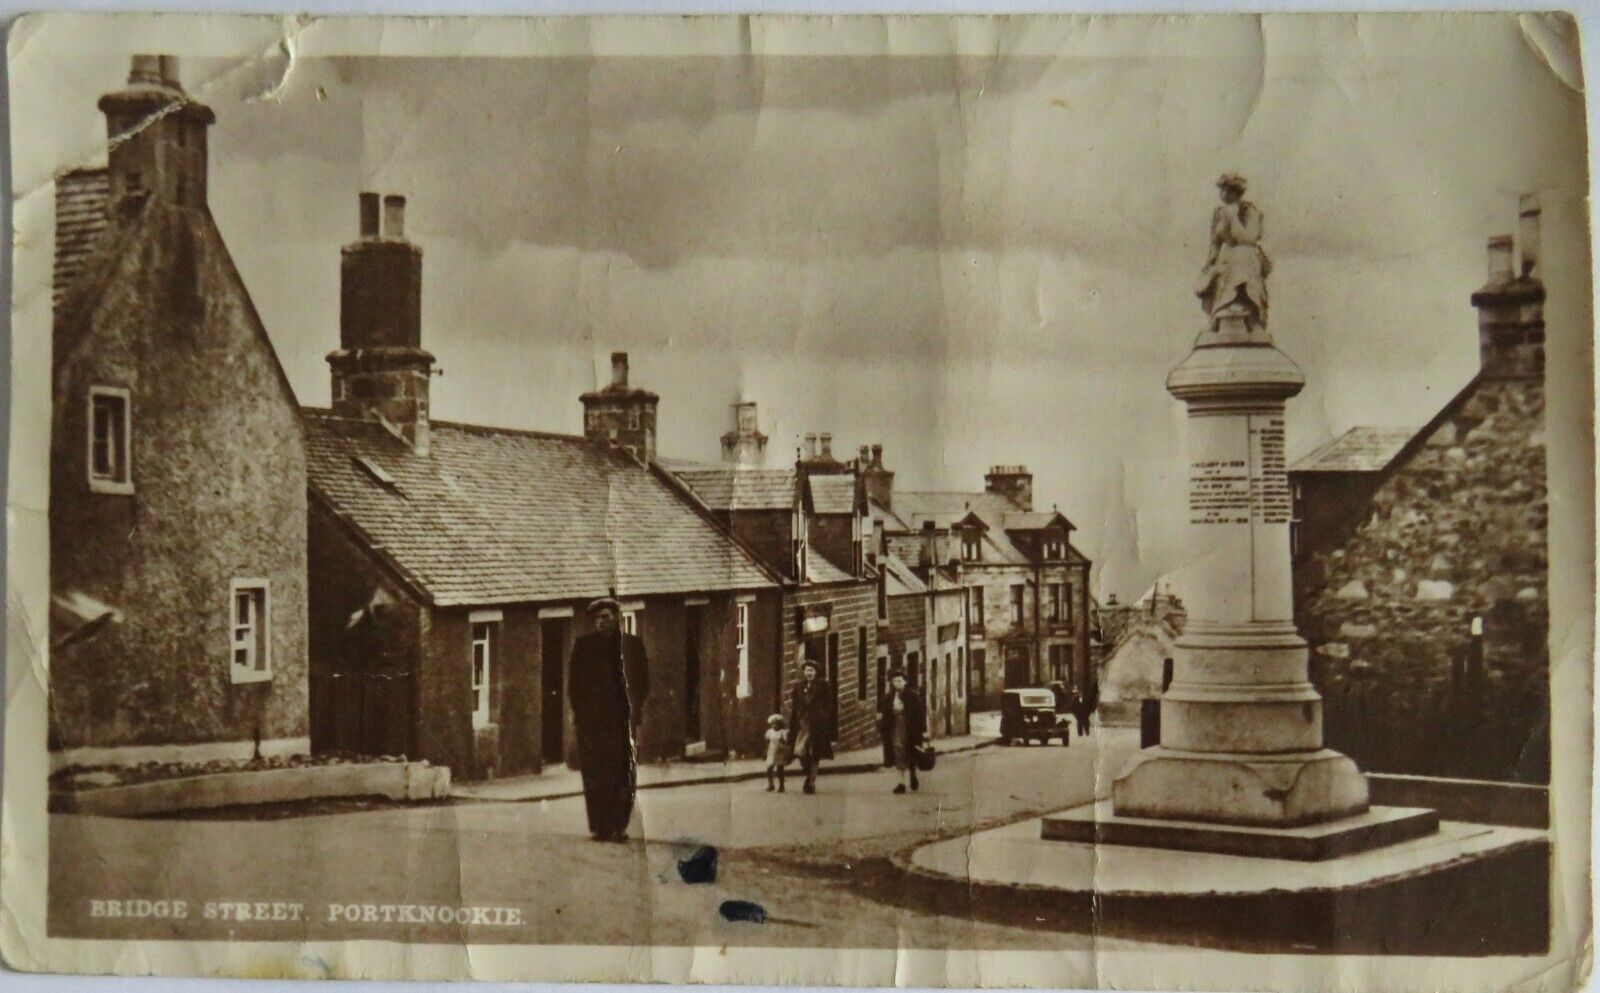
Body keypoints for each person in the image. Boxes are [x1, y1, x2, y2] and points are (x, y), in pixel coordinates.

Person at [567, 597, 650, 842]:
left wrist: (634, 711)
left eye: (605, 617)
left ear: (616, 618)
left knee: (622, 773)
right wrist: (582, 715)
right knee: (595, 774)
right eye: (597, 618)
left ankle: (618, 826)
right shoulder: (584, 646)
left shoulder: (632, 646)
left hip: (622, 722)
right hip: (591, 725)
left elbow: (642, 682)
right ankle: (601, 826)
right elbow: (574, 685)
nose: (600, 622)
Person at [1194, 173, 1271, 333]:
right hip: (1226, 257)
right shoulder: (1219, 213)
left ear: (1235, 192)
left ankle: (1242, 303)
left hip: (1246, 254)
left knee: (1241, 255)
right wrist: (1209, 264)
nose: (1222, 194)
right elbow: (1215, 243)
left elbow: (1249, 238)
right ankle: (1221, 311)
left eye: (1226, 190)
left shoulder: (1250, 211)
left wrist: (1232, 217)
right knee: (1223, 264)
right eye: (1221, 190)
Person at [787, 657, 836, 794]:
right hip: (802, 724)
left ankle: (811, 781)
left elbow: (829, 704)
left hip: (817, 724)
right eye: (807, 670)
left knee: (815, 754)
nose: (809, 673)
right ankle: (808, 774)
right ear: (804, 672)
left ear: (816, 672)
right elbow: (795, 706)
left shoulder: (823, 685)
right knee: (800, 752)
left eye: (812, 671)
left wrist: (823, 716)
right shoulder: (798, 686)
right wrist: (794, 722)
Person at [879, 668, 926, 793]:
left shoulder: (912, 696)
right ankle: (901, 783)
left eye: (899, 681)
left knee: (911, 752)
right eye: (895, 681)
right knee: (898, 751)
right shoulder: (889, 697)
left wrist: (923, 730)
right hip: (895, 727)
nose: (897, 684)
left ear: (905, 682)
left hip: (910, 729)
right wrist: (883, 730)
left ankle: (912, 773)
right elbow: (885, 714)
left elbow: (919, 714)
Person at [764, 714, 788, 793]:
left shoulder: (783, 732)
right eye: (773, 724)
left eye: (776, 724)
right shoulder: (769, 732)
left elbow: (785, 742)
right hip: (771, 750)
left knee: (780, 768)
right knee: (769, 768)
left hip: (780, 751)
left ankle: (781, 785)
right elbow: (767, 742)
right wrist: (765, 752)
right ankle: (771, 785)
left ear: (780, 724)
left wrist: (782, 741)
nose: (774, 725)